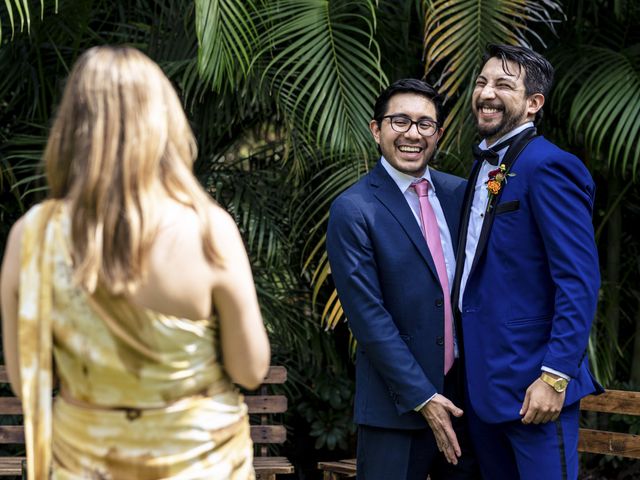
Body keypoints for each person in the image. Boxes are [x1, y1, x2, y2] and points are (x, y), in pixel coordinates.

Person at [0, 46, 270, 479]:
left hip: (87, 463)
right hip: (200, 462)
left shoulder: (32, 237)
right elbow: (251, 370)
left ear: (72, 128)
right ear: (163, 124)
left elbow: (25, 376)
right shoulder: (207, 229)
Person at [451, 44, 603, 480]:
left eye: (503, 84)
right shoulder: (481, 168)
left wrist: (555, 377)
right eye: (481, 82)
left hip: (535, 389)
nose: (486, 93)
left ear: (534, 103)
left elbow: (577, 280)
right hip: (482, 389)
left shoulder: (550, 166)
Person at [326, 79, 479, 479]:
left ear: (439, 135)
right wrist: (422, 396)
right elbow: (368, 318)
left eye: (425, 124)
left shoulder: (460, 195)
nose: (413, 133)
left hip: (467, 400)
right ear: (377, 130)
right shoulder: (354, 209)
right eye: (400, 121)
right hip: (395, 406)